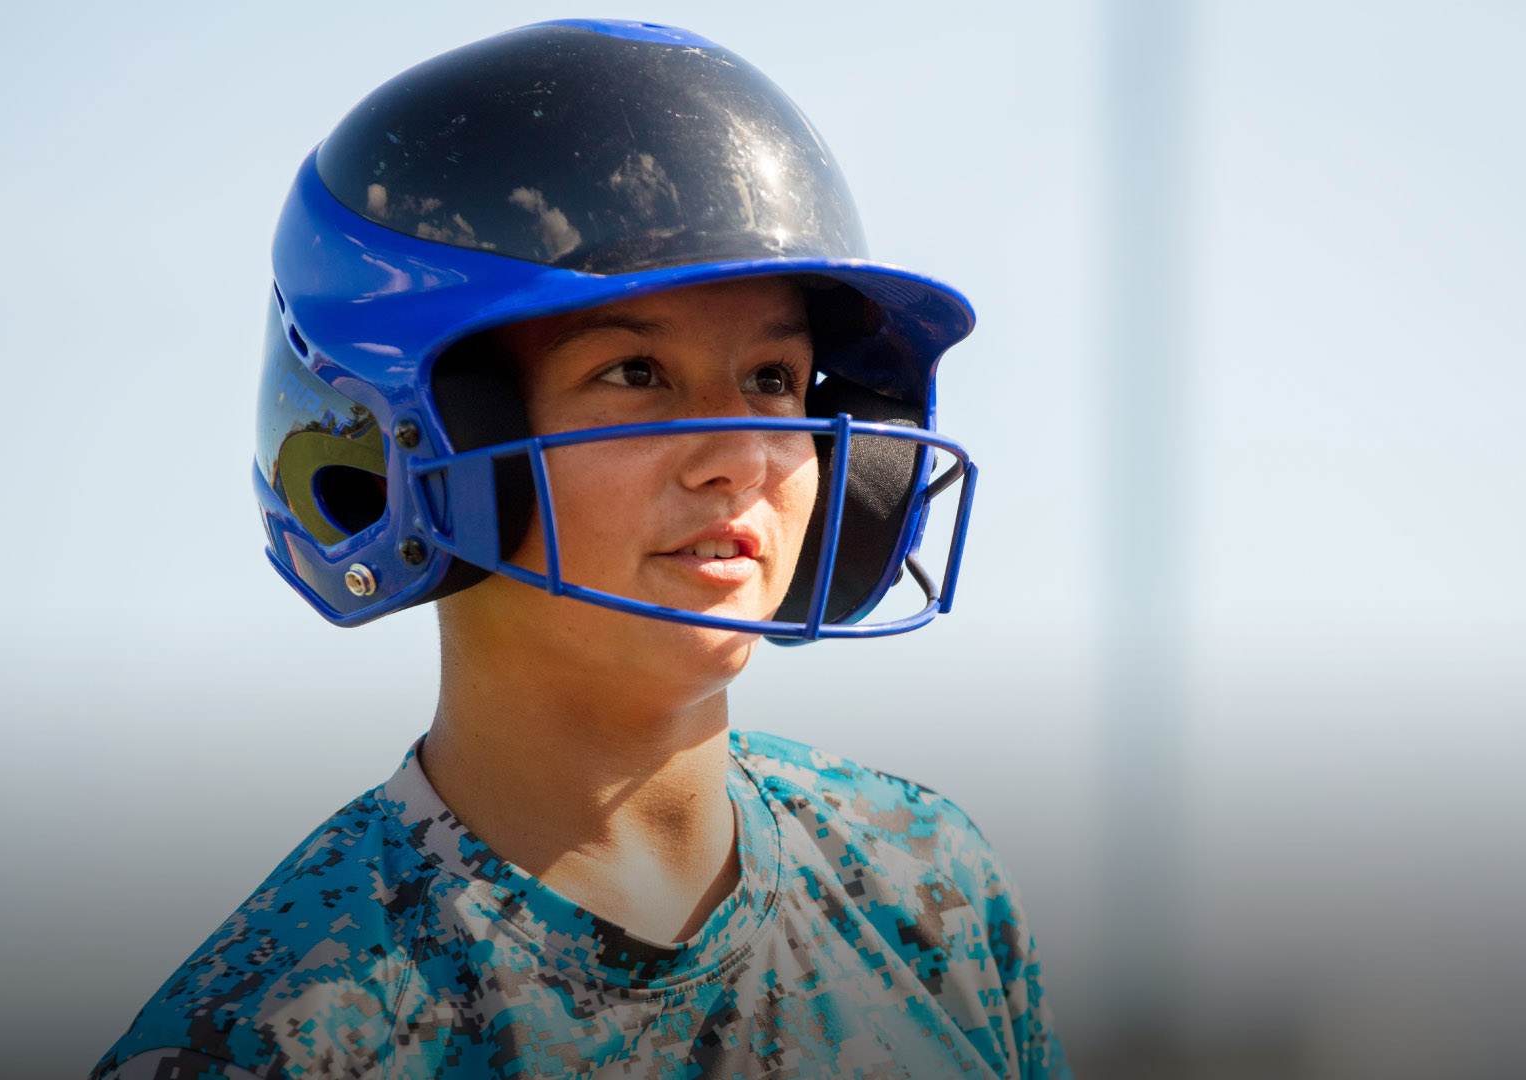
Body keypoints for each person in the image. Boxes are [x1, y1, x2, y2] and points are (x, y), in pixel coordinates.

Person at [91, 19, 1070, 1080]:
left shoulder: (929, 890)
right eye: (634, 374)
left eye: (774, 380)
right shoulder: (271, 1043)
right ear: (426, 446)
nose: (739, 455)